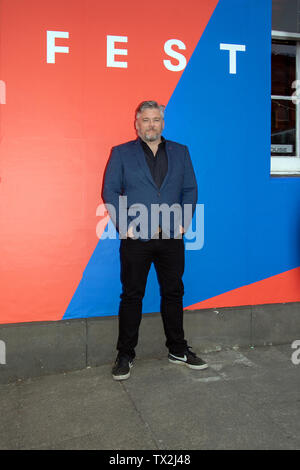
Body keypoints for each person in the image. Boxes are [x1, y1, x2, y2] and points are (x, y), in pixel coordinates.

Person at [102, 100, 208, 380]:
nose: (151, 125)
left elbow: (190, 189)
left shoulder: (180, 152)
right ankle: (125, 354)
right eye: (145, 120)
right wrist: (124, 226)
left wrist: (184, 223)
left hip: (171, 238)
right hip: (137, 239)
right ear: (136, 124)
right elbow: (110, 191)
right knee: (132, 295)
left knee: (174, 293)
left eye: (156, 119)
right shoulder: (121, 153)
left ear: (163, 122)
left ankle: (178, 349)